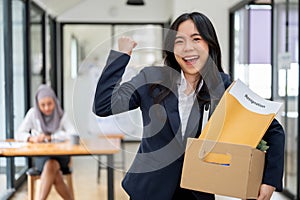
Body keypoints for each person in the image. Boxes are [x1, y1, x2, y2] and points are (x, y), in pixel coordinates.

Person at [93, 12, 285, 200]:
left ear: (209, 44)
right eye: (179, 41)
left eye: (196, 39)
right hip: (148, 189)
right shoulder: (152, 78)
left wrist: (269, 181)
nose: (188, 48)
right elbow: (103, 105)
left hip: (197, 192)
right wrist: (120, 56)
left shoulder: (224, 87)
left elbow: (273, 131)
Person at [15, 84, 75, 200]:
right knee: (54, 171)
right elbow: (19, 134)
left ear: (54, 101)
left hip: (61, 156)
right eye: (43, 105)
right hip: (42, 156)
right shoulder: (33, 114)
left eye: (49, 103)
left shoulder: (60, 114)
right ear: (37, 104)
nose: (47, 108)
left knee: (52, 166)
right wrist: (32, 138)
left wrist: (51, 137)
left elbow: (72, 133)